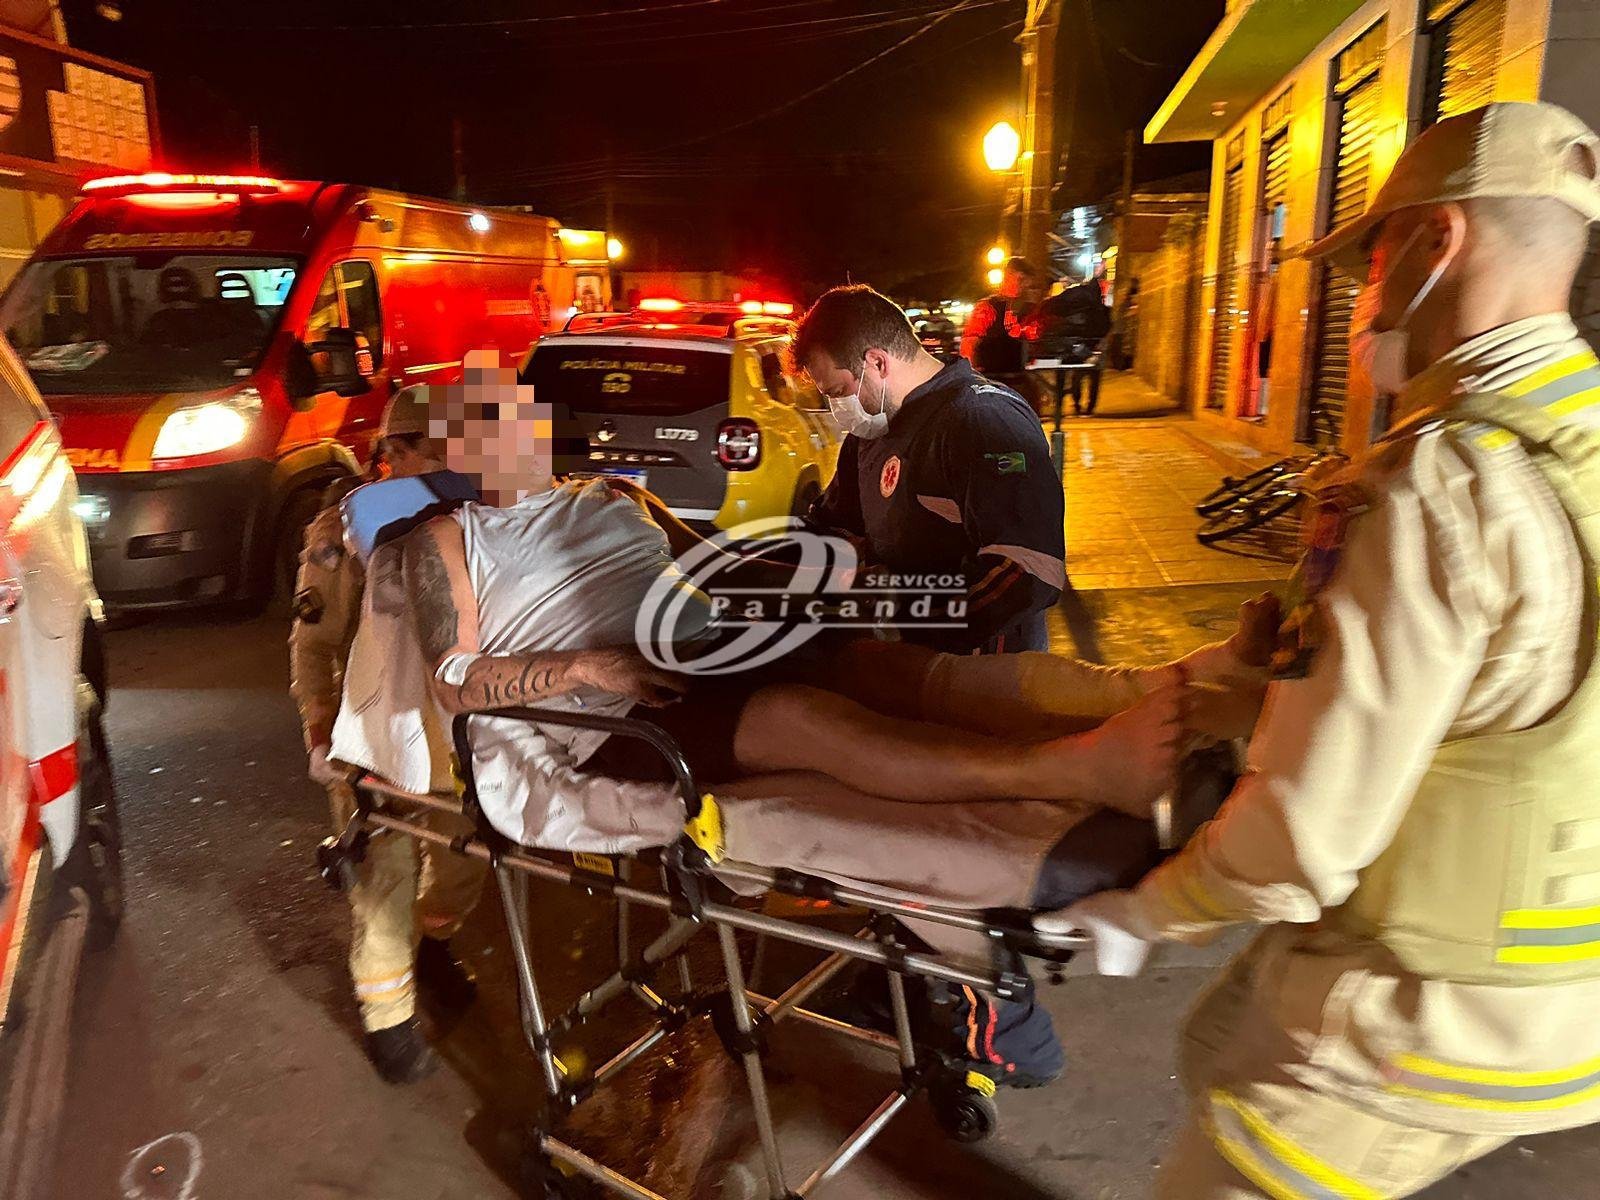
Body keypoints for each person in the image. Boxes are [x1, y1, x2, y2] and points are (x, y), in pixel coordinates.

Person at [332, 361, 1272, 1091]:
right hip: (613, 715)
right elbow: (456, 682)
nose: (519, 434)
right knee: (805, 722)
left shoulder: (611, 495)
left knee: (892, 667)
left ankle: (1183, 685)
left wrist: (816, 588)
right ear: (457, 448)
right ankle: (1078, 773)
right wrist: (591, 668)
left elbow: (715, 566)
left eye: (521, 416)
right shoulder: (445, 541)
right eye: (489, 424)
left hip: (708, 652)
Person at [1040, 100, 1600, 1197]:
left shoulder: (1437, 485)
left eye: (1374, 263)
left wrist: (1146, 912)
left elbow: (1302, 841)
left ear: (1439, 241)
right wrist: (1270, 687)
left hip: (1416, 1034)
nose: (1365, 300)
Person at [289, 385, 486, 1084]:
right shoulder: (343, 537)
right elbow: (313, 645)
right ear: (393, 453)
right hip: (374, 743)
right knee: (383, 879)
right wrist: (320, 732)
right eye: (434, 451)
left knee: (465, 863)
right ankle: (389, 1020)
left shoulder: (472, 519)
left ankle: (431, 944)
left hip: (456, 742)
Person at [794, 284, 1065, 655]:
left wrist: (906, 615)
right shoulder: (872, 432)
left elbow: (1029, 568)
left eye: (840, 392)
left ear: (877, 363)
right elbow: (833, 525)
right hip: (906, 663)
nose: (839, 409)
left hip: (982, 669)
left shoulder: (981, 421)